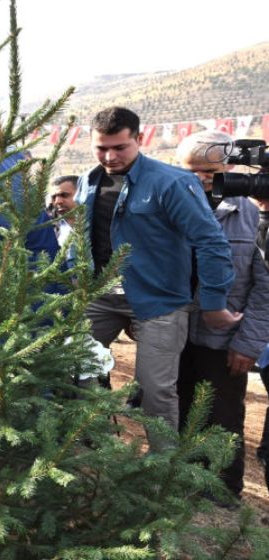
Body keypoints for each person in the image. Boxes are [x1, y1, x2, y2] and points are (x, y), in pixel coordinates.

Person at [75, 107, 236, 449]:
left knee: (154, 389)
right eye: (101, 148)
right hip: (99, 296)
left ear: (139, 139)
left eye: (120, 147)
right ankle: (87, 452)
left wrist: (214, 301)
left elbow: (210, 242)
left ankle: (162, 472)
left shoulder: (172, 182)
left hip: (158, 300)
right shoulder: (87, 182)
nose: (110, 155)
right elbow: (82, 242)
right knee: (76, 370)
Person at [174, 130, 269, 500]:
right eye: (192, 171)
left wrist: (248, 342)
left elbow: (265, 287)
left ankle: (224, 490)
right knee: (177, 407)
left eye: (210, 172)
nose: (200, 179)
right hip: (176, 331)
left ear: (229, 167)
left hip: (226, 338)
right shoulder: (171, 211)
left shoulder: (251, 215)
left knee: (224, 415)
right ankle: (179, 480)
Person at [47, 175, 78, 246]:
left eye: (64, 195)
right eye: (54, 197)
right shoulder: (48, 227)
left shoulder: (97, 223)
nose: (57, 201)